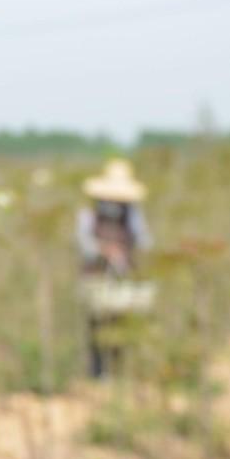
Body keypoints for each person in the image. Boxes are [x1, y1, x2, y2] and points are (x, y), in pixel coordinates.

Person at [75, 158, 153, 378]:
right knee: (97, 326)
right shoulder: (88, 216)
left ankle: (119, 372)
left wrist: (126, 251)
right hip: (96, 279)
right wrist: (103, 250)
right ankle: (98, 373)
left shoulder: (133, 215)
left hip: (123, 279)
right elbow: (84, 244)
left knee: (122, 327)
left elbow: (145, 241)